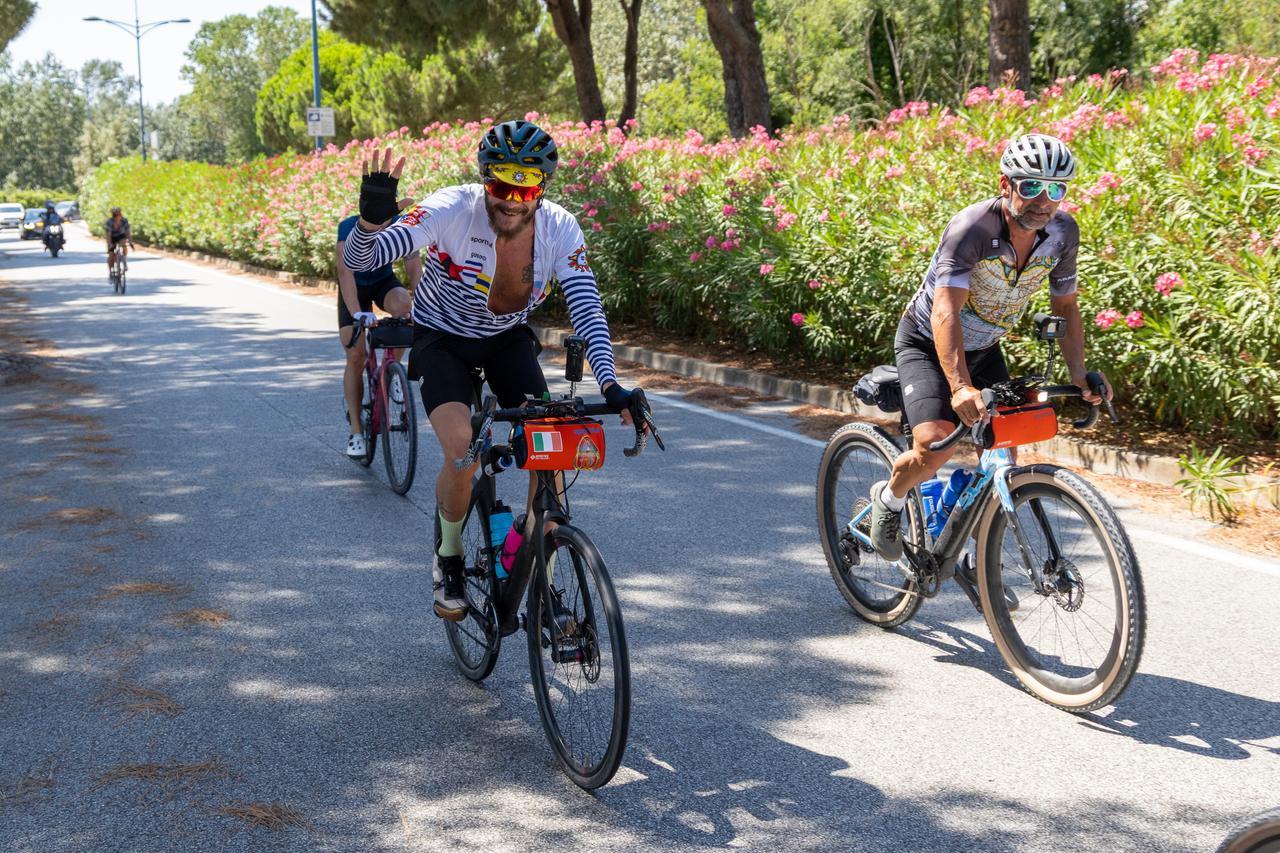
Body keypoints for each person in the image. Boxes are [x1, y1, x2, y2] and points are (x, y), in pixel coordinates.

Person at [342, 119, 646, 621]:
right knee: (463, 451)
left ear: (542, 187)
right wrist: (370, 224)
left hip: (507, 341)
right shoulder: (450, 209)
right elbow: (365, 258)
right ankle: (451, 557)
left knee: (551, 450)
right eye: (500, 182)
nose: (511, 197)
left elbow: (586, 306)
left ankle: (536, 568)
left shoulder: (560, 227)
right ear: (484, 178)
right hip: (443, 340)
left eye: (524, 186)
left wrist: (609, 382)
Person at [868, 133, 1113, 561]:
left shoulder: (1062, 232)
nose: (1044, 199)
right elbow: (945, 311)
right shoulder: (972, 228)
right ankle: (888, 499)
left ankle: (980, 570)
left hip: (984, 348)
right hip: (927, 341)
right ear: (1006, 184)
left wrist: (1079, 376)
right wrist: (959, 387)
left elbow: (1066, 305)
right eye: (1031, 186)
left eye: (1056, 189)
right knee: (933, 447)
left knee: (1001, 456)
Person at [336, 214, 417, 458]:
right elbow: (344, 272)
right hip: (354, 288)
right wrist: (356, 314)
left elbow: (414, 267)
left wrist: (421, 305)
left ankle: (393, 372)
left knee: (404, 307)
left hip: (383, 281)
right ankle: (356, 432)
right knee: (356, 355)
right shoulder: (349, 227)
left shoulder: (401, 224)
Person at [103, 207, 133, 275]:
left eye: (118, 214)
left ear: (120, 214)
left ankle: (124, 261)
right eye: (114, 215)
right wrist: (110, 244)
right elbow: (108, 235)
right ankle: (110, 272)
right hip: (112, 237)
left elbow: (127, 232)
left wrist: (130, 242)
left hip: (121, 236)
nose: (116, 216)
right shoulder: (110, 222)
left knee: (124, 245)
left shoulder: (124, 221)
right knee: (111, 254)